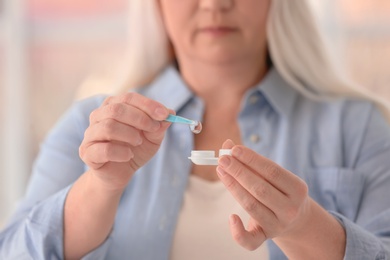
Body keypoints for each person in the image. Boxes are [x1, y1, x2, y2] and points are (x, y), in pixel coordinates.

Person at [1, 0, 390, 259]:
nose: (215, 4)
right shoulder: (90, 126)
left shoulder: (358, 127)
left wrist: (305, 226)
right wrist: (99, 187)